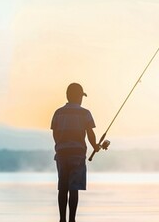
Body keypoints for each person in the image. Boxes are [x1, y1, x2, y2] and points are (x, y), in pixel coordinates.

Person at [51, 83, 100, 222]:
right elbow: (90, 133)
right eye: (81, 96)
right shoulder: (85, 113)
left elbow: (55, 133)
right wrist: (95, 146)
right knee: (74, 187)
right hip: (78, 155)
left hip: (61, 154)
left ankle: (62, 219)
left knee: (62, 187)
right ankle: (72, 219)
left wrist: (60, 145)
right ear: (79, 96)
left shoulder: (58, 113)